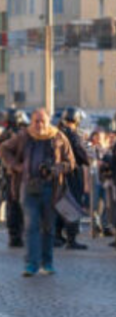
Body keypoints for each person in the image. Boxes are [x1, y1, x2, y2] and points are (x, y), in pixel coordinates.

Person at [0, 109, 76, 277]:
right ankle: (31, 264)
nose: (39, 125)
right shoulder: (24, 136)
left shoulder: (58, 136)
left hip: (51, 189)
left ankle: (47, 262)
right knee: (31, 226)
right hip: (28, 187)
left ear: (48, 121)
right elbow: (4, 148)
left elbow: (70, 162)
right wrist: (15, 166)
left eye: (42, 121)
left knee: (48, 227)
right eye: (36, 121)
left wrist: (56, 169)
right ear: (31, 121)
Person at [57, 108, 91, 251]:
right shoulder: (73, 135)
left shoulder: (58, 133)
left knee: (61, 204)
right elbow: (83, 155)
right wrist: (88, 156)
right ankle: (71, 239)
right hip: (72, 173)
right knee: (73, 204)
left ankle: (57, 236)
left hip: (60, 174)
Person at [0, 110, 30, 248]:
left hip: (9, 173)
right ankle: (16, 236)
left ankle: (15, 235)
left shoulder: (5, 133)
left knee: (13, 204)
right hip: (14, 174)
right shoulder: (14, 135)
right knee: (15, 205)